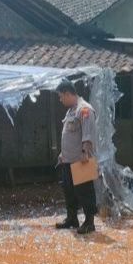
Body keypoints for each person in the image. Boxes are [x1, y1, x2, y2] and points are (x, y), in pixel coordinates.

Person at [54, 80, 98, 235]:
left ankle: (89, 222)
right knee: (69, 190)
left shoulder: (84, 109)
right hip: (68, 159)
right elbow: (69, 135)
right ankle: (72, 218)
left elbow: (88, 133)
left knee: (85, 191)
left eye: (61, 97)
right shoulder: (71, 110)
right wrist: (62, 154)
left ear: (68, 93)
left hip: (81, 159)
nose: (60, 100)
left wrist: (85, 152)